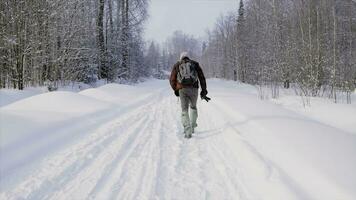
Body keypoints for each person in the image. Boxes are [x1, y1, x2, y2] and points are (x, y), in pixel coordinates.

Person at [169, 52, 208, 138]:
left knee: (184, 110)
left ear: (181, 57)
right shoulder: (195, 64)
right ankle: (193, 127)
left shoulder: (177, 65)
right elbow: (202, 77)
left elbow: (172, 79)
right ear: (188, 57)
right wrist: (204, 90)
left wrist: (176, 89)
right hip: (194, 89)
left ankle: (187, 131)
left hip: (182, 90)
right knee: (193, 107)